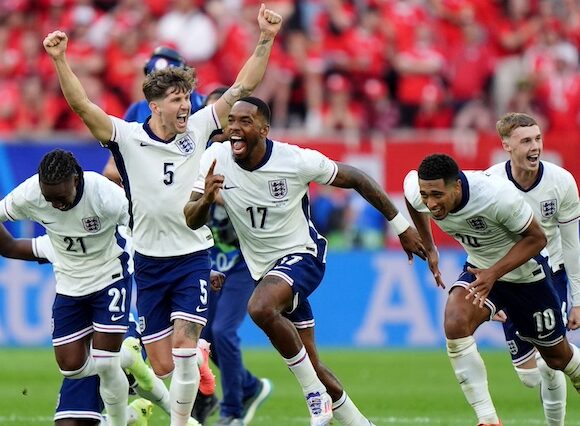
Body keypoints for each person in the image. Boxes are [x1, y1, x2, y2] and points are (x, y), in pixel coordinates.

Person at [43, 6, 283, 425]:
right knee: (163, 364)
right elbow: (82, 106)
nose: (186, 106)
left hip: (192, 256)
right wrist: (61, 60)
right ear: (154, 106)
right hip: (148, 263)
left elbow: (244, 83)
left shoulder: (200, 128)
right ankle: (194, 367)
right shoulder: (128, 138)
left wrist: (265, 38)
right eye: (176, 101)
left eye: (187, 99)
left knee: (185, 354)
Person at [183, 97, 427, 425]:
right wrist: (208, 200)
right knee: (310, 359)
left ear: (264, 129)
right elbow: (191, 217)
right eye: (231, 122)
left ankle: (313, 395)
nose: (235, 129)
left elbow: (356, 177)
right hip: (264, 270)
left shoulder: (294, 160)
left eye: (244, 122)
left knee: (259, 308)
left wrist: (400, 226)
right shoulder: (215, 158)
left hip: (304, 256)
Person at [403, 153, 580, 426]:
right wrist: (430, 246)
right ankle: (488, 420)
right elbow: (412, 200)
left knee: (558, 359)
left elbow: (537, 239)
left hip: (526, 276)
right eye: (426, 195)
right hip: (480, 270)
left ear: (457, 187)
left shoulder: (496, 197)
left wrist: (494, 274)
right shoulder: (421, 193)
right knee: (455, 322)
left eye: (437, 195)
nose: (431, 203)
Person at [0, 149, 157, 426]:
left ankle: (131, 384)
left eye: (60, 198)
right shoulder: (51, 236)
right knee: (72, 368)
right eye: (49, 200)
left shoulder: (105, 196)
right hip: (71, 295)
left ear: (76, 180)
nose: (55, 207)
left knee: (107, 363)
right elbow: (11, 246)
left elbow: (149, 229)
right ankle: (130, 373)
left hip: (109, 283)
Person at [486, 112, 580, 426]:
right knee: (529, 377)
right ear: (506, 146)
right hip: (509, 279)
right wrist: (492, 294)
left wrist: (577, 298)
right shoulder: (490, 184)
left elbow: (571, 244)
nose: (535, 146)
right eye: (526, 141)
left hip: (550, 276)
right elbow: (480, 243)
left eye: (537, 138)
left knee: (550, 365)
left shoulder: (561, 181)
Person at [199, 88, 272, 426]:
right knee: (208, 336)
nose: (227, 129)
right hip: (209, 260)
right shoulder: (200, 156)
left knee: (224, 332)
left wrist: (218, 195)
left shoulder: (253, 160)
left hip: (244, 261)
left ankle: (232, 412)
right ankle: (248, 385)